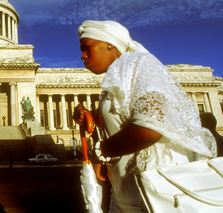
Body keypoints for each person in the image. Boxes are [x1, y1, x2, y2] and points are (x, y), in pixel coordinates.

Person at [73, 20, 216, 212]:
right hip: (128, 192)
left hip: (159, 193)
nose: (82, 55)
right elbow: (122, 118)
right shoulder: (116, 77)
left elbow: (150, 128)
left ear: (109, 43)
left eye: (87, 47)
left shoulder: (140, 64)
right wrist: (90, 115)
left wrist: (100, 152)